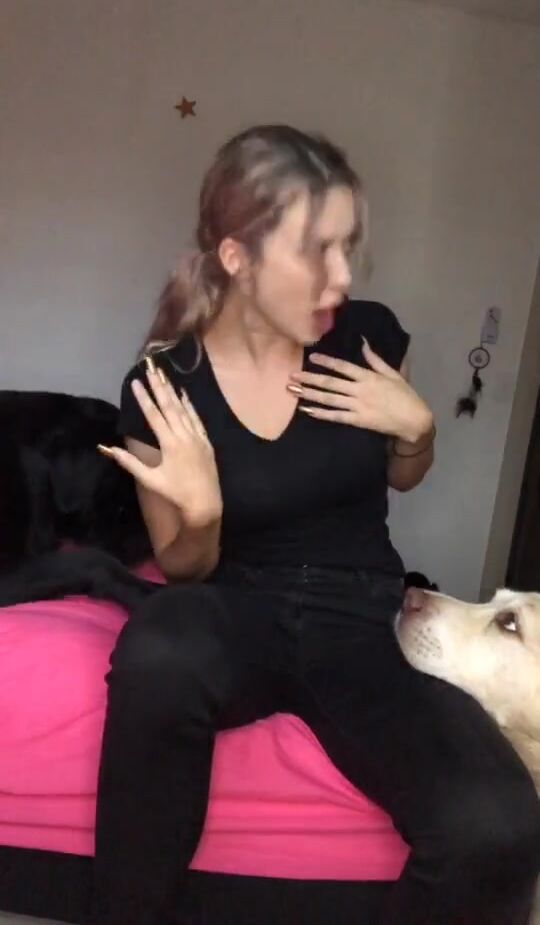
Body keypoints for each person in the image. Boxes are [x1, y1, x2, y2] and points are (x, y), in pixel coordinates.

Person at [94, 125, 540, 925]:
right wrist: (203, 516)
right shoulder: (163, 383)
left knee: (499, 825)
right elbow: (183, 566)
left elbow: (402, 473)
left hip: (366, 615)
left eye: (347, 247)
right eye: (317, 251)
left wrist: (419, 431)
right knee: (159, 646)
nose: (342, 276)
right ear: (238, 257)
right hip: (234, 603)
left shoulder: (369, 336)